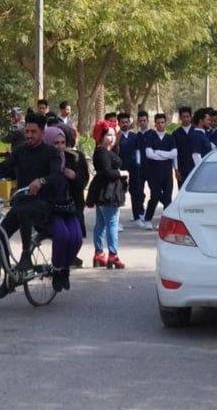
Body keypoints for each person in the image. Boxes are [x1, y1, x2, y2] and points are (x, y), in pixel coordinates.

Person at [0, 110, 60, 275]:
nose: (29, 135)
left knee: (25, 211)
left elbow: (55, 175)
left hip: (43, 203)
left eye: (33, 132)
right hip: (22, 201)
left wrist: (41, 181)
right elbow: (6, 165)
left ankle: (26, 256)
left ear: (42, 133)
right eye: (27, 132)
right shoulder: (21, 150)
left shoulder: (51, 153)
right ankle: (9, 276)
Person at [42, 126, 83, 291]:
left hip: (67, 207)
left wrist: (74, 176)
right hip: (50, 209)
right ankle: (57, 270)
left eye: (62, 142)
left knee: (76, 238)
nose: (59, 146)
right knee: (62, 235)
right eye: (55, 143)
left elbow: (82, 181)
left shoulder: (72, 158)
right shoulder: (43, 161)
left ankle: (64, 268)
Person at [89, 125, 125, 269]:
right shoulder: (102, 152)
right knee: (111, 223)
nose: (112, 138)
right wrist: (123, 173)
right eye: (108, 135)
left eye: (113, 135)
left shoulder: (104, 151)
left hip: (105, 191)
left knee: (102, 223)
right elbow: (107, 173)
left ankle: (99, 254)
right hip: (108, 192)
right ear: (101, 137)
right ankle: (113, 255)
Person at [143, 112, 177, 228]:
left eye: (162, 122)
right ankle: (147, 219)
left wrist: (159, 152)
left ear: (165, 123)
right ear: (155, 124)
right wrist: (165, 156)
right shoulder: (151, 137)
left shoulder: (170, 138)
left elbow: (174, 154)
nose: (160, 125)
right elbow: (149, 154)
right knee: (155, 196)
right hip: (154, 173)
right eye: (158, 123)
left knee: (167, 197)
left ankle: (164, 222)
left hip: (167, 173)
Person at [122, 111, 149, 228]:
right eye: (122, 122)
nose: (125, 124)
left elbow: (138, 150)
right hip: (121, 168)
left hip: (134, 167)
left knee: (136, 192)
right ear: (119, 123)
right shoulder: (117, 136)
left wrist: (138, 162)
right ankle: (116, 221)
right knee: (119, 194)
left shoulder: (134, 136)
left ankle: (137, 216)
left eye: (126, 122)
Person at [172, 106, 196, 185]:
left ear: (191, 117)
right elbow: (174, 153)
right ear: (180, 118)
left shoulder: (197, 131)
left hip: (195, 167)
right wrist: (176, 169)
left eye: (187, 117)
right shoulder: (176, 134)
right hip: (181, 169)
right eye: (183, 117)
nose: (185, 119)